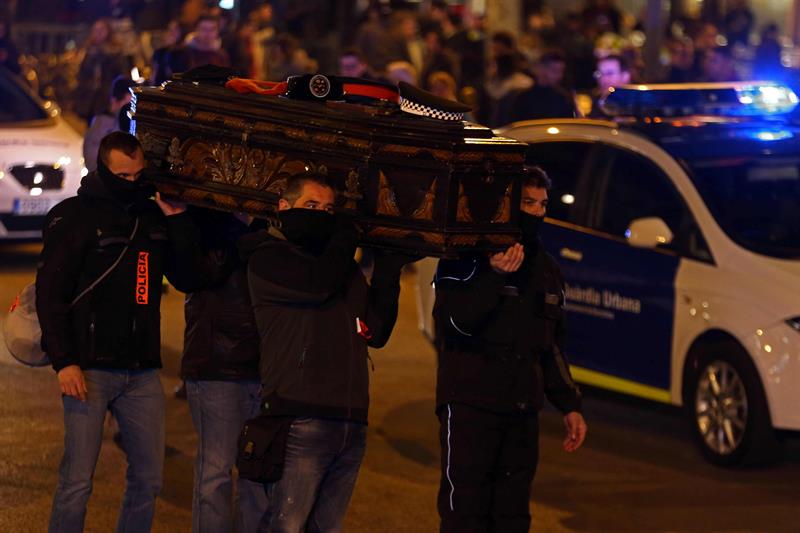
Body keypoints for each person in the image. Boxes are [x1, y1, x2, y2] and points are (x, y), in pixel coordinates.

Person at [36, 132, 195, 533]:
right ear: (103, 169)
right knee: (77, 482)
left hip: (141, 369)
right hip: (88, 370)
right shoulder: (73, 216)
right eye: (123, 176)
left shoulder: (151, 215)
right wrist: (65, 362)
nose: (132, 183)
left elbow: (188, 276)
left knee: (148, 480)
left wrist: (177, 222)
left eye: (138, 175)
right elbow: (51, 295)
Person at [239, 173, 413, 532]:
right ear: (283, 208)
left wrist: (390, 266)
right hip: (300, 417)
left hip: (350, 420)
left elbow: (375, 331)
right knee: (286, 525)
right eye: (312, 206)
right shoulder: (267, 257)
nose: (322, 215)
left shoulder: (340, 268)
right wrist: (346, 235)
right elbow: (317, 285)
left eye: (329, 209)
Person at [433, 166, 587, 533]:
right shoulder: (465, 256)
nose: (536, 211)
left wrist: (570, 404)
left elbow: (551, 346)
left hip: (521, 411)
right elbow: (453, 324)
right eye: (527, 202)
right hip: (470, 405)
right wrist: (493, 277)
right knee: (464, 514)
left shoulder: (546, 269)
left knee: (513, 516)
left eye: (542, 203)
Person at [171, 208, 268, 533]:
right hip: (217, 364)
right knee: (216, 471)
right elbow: (193, 275)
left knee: (257, 475)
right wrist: (237, 225)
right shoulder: (209, 222)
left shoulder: (274, 224)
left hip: (266, 365)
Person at [82, 76, 137, 173]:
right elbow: (92, 162)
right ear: (114, 100)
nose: (130, 110)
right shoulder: (100, 125)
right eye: (127, 105)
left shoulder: (126, 123)